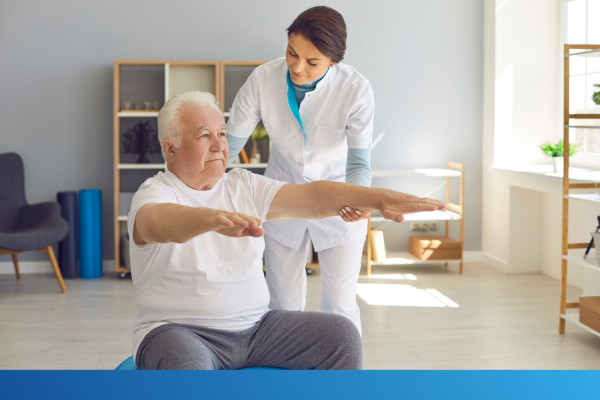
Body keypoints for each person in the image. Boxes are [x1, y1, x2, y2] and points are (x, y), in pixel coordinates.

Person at [128, 90, 445, 370]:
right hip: (178, 331)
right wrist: (211, 219)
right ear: (170, 149)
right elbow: (162, 223)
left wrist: (379, 198)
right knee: (188, 363)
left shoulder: (243, 183)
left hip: (257, 330)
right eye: (203, 136)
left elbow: (311, 196)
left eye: (222, 134)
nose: (218, 146)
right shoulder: (154, 193)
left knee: (341, 335)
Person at [226, 6, 374, 333]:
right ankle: (288, 379)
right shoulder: (263, 79)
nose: (297, 67)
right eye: (292, 53)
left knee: (340, 307)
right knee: (282, 305)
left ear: (334, 62)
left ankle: (342, 378)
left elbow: (359, 162)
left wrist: (358, 201)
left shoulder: (356, 89)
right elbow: (230, 146)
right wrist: (201, 190)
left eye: (312, 62)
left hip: (338, 198)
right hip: (283, 192)